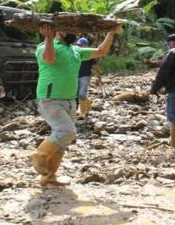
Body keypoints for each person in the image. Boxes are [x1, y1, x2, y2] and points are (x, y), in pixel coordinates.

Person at [30, 24, 121, 186]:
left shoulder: (75, 50)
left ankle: (49, 176)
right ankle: (39, 155)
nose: (73, 32)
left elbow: (101, 51)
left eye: (74, 30)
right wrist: (49, 38)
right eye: (68, 29)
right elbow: (49, 59)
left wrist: (110, 33)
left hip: (70, 99)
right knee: (67, 131)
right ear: (58, 31)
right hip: (50, 98)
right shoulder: (44, 46)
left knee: (63, 140)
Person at [76, 37, 99, 117]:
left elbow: (95, 65)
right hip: (75, 76)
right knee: (76, 94)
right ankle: (88, 104)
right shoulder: (76, 53)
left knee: (81, 94)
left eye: (81, 45)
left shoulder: (90, 54)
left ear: (86, 45)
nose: (80, 46)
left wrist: (98, 74)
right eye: (79, 45)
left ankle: (82, 112)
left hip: (85, 76)